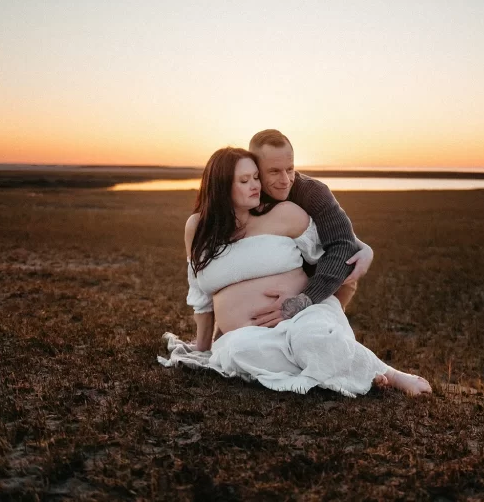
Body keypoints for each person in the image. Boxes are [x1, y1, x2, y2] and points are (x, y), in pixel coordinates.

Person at [158, 147, 431, 397]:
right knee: (237, 352)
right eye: (244, 181)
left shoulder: (286, 213)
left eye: (256, 177)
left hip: (305, 313)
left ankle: (389, 374)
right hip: (248, 335)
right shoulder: (197, 228)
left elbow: (335, 248)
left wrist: (363, 250)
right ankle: (341, 365)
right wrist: (203, 346)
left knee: (309, 339)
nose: (256, 185)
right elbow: (200, 291)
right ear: (220, 187)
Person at [247, 129, 372, 328]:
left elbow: (342, 244)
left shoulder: (313, 192)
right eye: (274, 171)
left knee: (316, 334)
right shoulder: (247, 193)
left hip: (326, 282)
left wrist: (304, 300)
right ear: (254, 169)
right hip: (281, 281)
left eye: (289, 169)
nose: (285, 180)